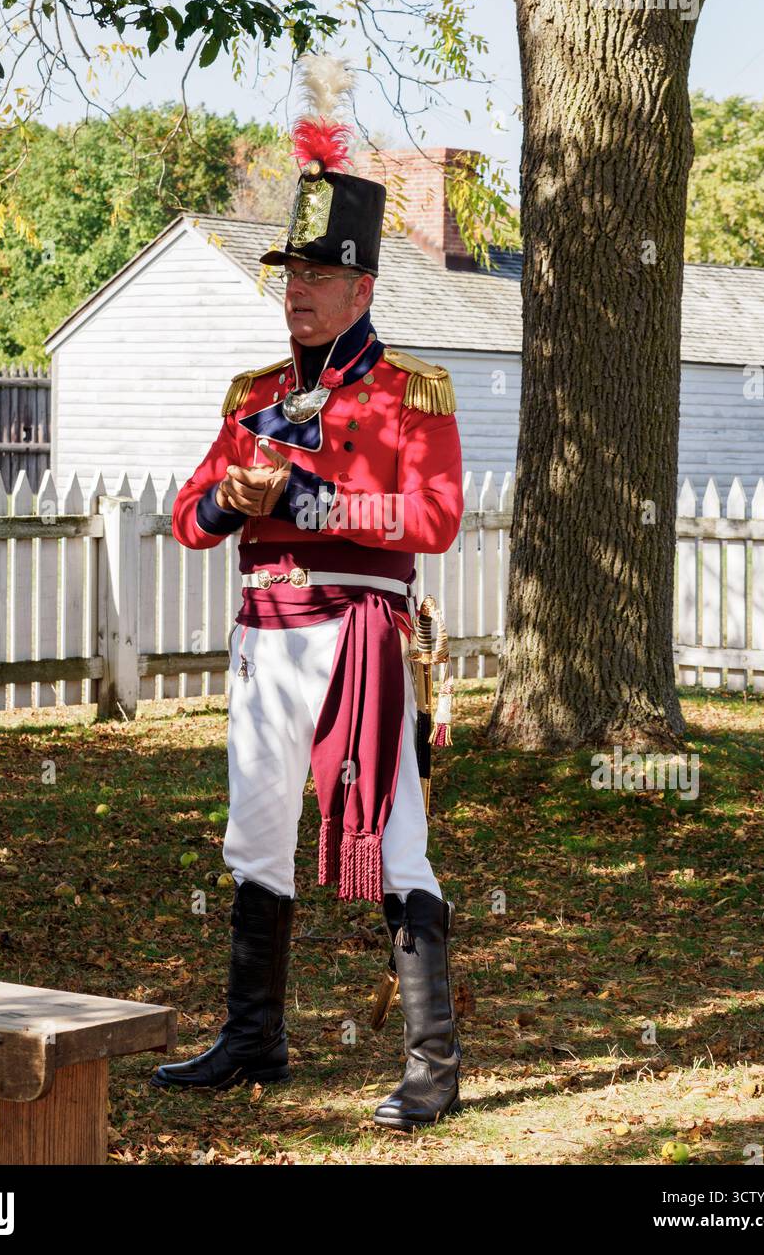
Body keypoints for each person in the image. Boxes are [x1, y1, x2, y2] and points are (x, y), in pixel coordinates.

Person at [149, 76, 465, 1130]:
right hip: (265, 635)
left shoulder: (412, 394)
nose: (299, 289)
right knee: (254, 833)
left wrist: (311, 496)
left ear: (362, 288)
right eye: (291, 270)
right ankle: (254, 1036)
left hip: (361, 636)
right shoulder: (251, 396)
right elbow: (188, 513)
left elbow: (433, 519)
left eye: (321, 273)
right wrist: (236, 505)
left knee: (394, 837)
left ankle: (432, 1065)